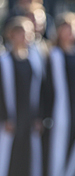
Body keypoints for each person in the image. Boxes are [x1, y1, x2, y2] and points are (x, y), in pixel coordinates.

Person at [42, 13, 75, 176]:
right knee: (57, 152)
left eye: (73, 28)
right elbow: (47, 87)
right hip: (58, 112)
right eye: (66, 28)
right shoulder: (52, 55)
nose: (70, 32)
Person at [0, 16, 44, 176]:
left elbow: (41, 90)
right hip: (10, 119)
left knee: (27, 157)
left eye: (27, 33)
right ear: (11, 35)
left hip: (28, 117)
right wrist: (5, 117)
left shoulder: (35, 60)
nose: (24, 37)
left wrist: (39, 116)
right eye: (20, 33)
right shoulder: (4, 60)